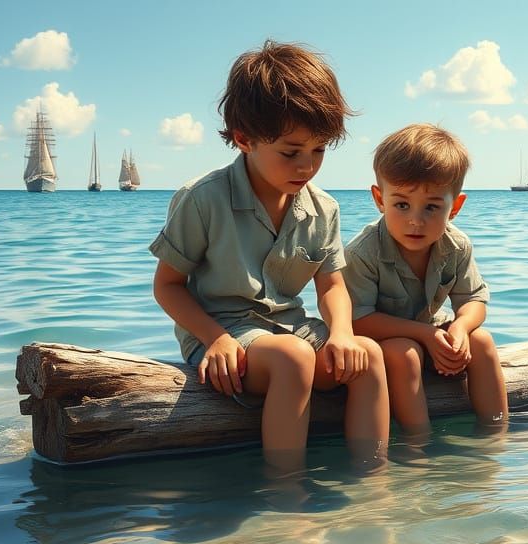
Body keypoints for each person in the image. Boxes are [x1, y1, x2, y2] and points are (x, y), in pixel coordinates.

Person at [149, 40, 389, 472]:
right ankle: (285, 491)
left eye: (319, 150)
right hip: (222, 337)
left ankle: (374, 482)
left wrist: (341, 333)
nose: (307, 166)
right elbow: (167, 286)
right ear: (244, 139)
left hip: (291, 329)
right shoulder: (202, 198)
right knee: (294, 358)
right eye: (291, 152)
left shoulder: (324, 208)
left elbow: (332, 286)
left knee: (368, 354)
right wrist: (214, 338)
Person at [342, 123, 508, 438]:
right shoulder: (363, 252)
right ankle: (418, 446)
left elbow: (474, 299)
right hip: (380, 341)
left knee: (482, 341)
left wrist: (460, 329)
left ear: (455, 207)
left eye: (432, 207)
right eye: (401, 205)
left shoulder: (456, 245)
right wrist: (426, 335)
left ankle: (496, 435)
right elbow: (357, 320)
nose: (416, 220)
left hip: (429, 328)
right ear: (379, 199)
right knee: (404, 352)